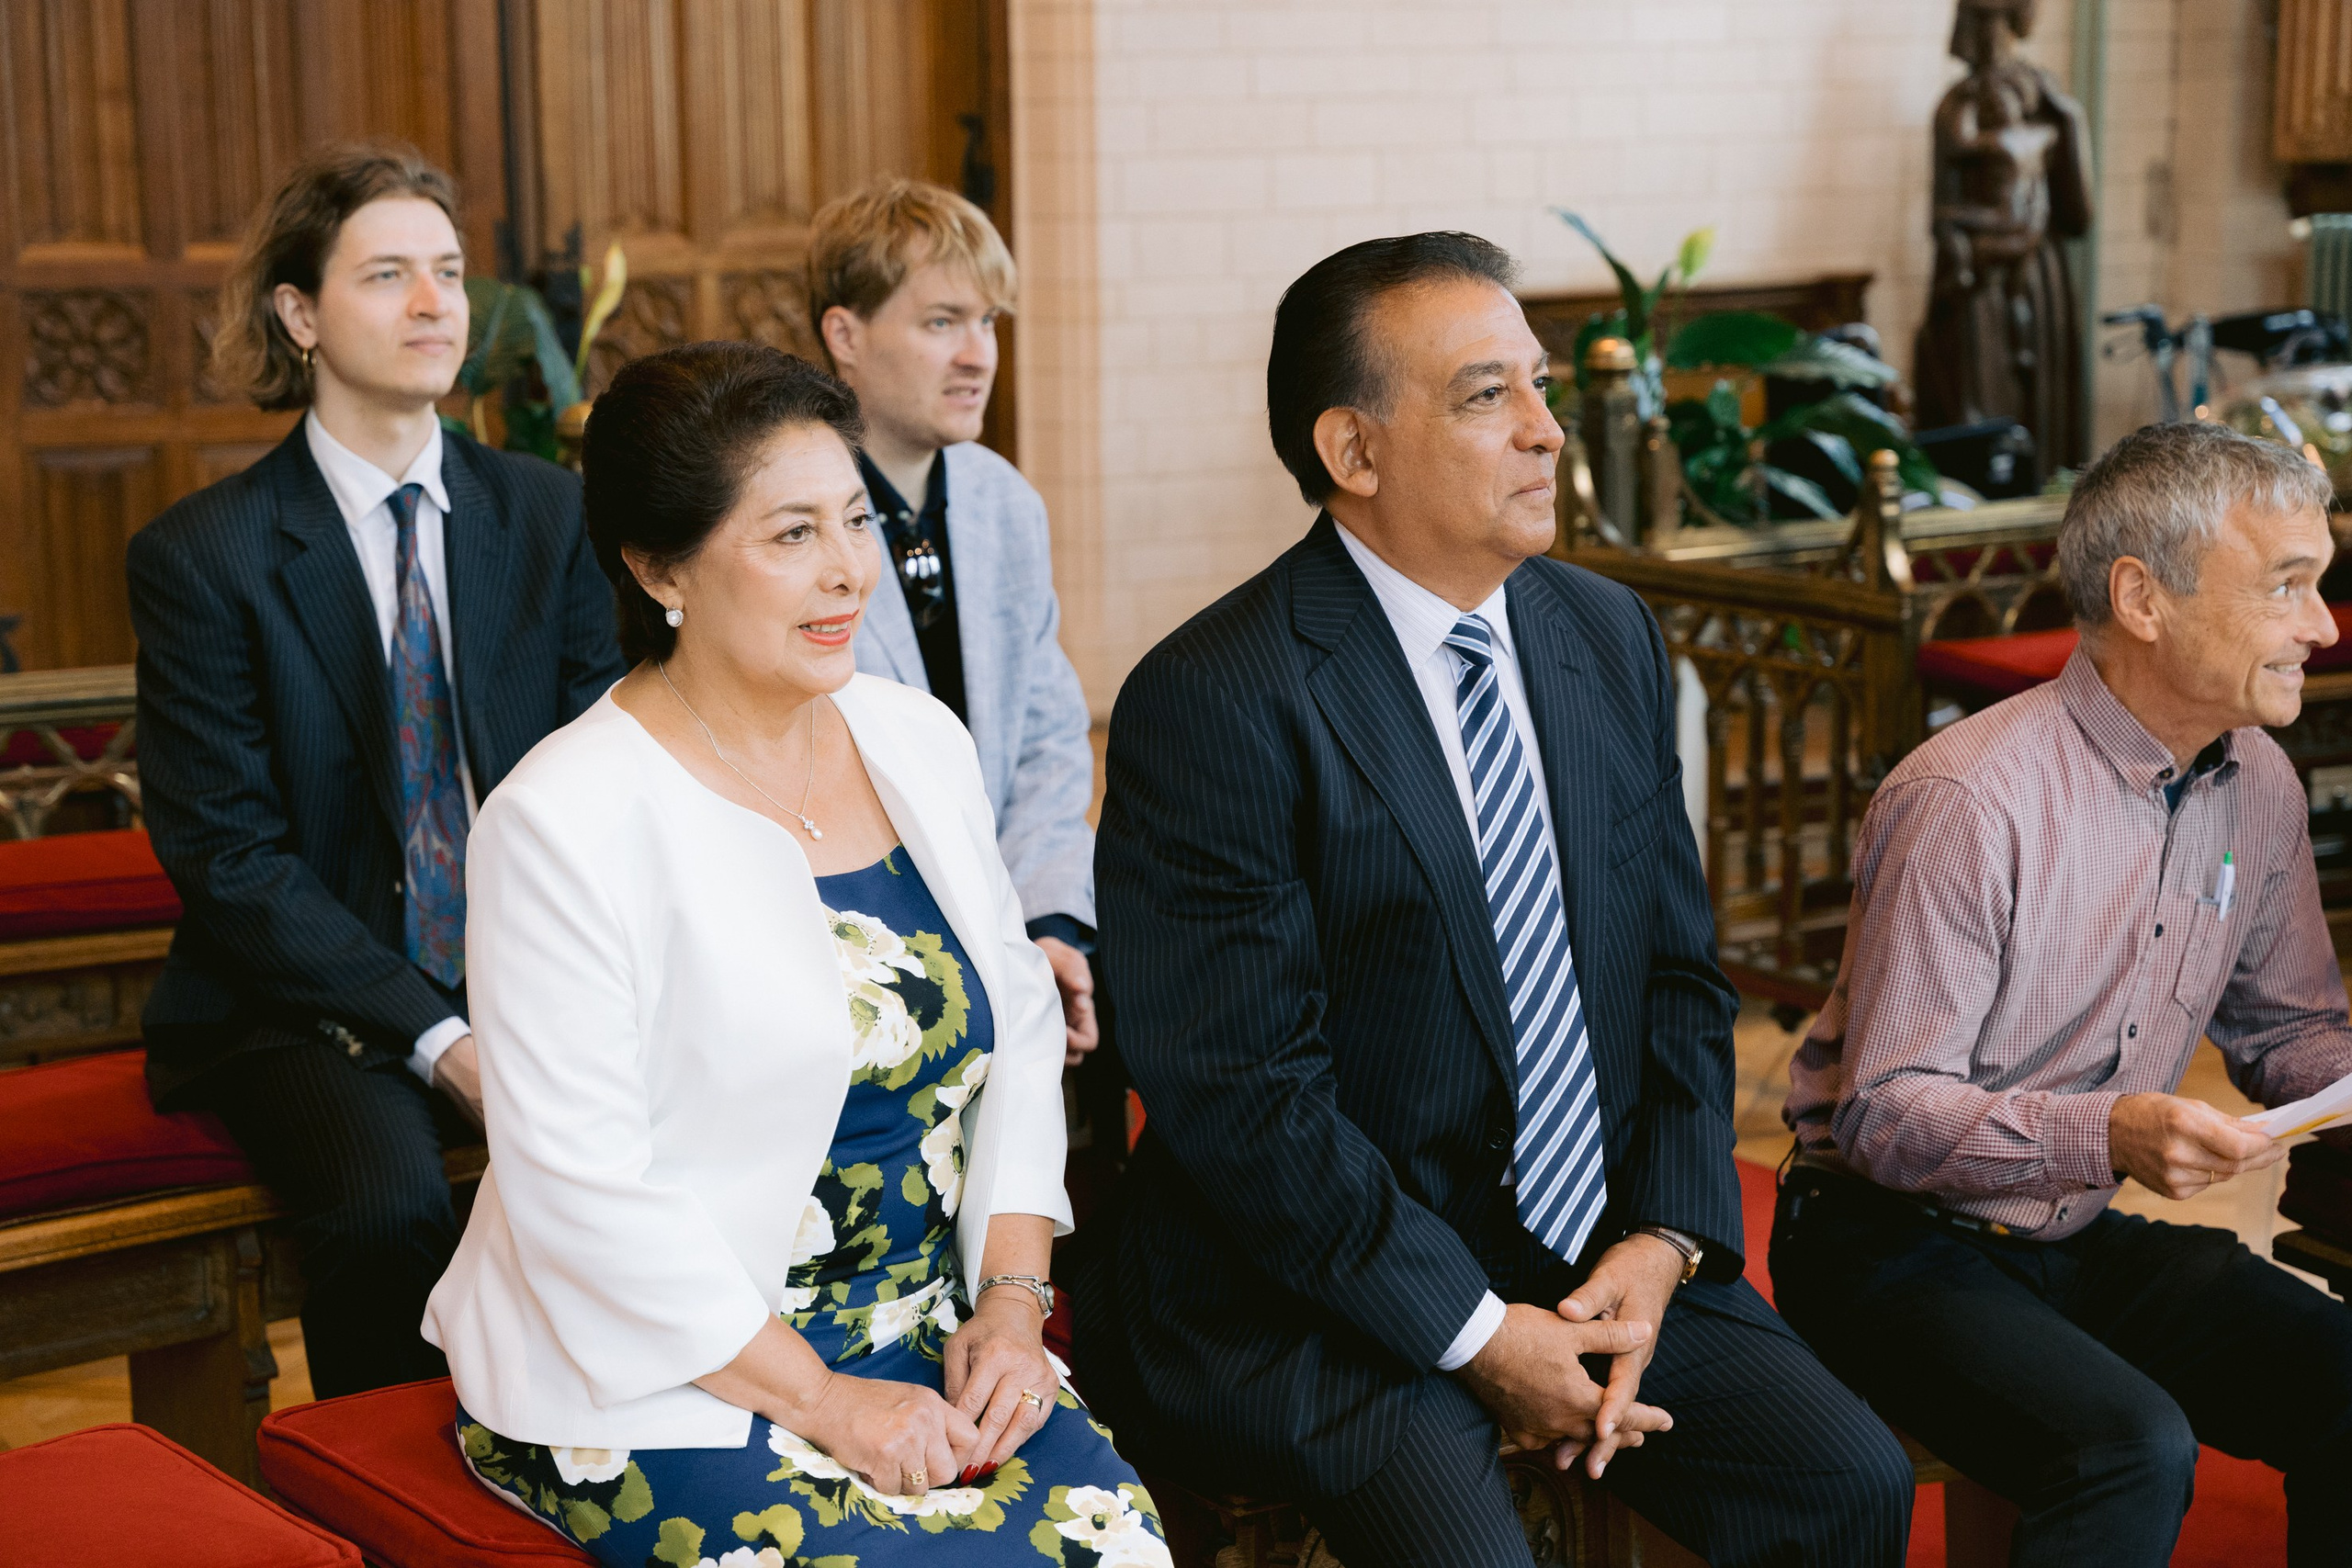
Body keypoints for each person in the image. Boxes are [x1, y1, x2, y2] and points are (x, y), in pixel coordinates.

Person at [1069, 232, 1912, 1568]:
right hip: (1320, 1277)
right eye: (1486, 397)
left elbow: (1681, 977)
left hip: (1587, 1244)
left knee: (1845, 1479)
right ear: (1352, 451)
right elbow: (1246, 1097)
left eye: (1539, 387)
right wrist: (1479, 1330)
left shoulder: (1602, 631)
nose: (1545, 432)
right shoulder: (1222, 693)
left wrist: (1664, 1233)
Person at [423, 342, 1169, 1567]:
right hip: (671, 1366)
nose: (846, 573)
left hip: (937, 1330)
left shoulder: (911, 737)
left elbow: (1023, 1032)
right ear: (658, 564)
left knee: (1124, 1547)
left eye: (856, 519)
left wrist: (1013, 1303)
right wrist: (826, 1402)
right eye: (789, 536)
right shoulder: (563, 820)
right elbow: (582, 1194)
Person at [1773, 420, 2352, 1568]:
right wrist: (2110, 1131)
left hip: (2066, 1232)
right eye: (2287, 586)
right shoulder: (1968, 799)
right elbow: (1884, 1114)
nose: (2321, 627)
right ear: (2142, 597)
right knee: (2127, 1447)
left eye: (2320, 584)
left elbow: (2292, 1029)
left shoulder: (2258, 781)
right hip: (1881, 1243)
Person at [127, 142, 624, 1398]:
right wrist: (442, 1034)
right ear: (299, 313)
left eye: (449, 273)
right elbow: (230, 862)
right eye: (387, 273)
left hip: (529, 956)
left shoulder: (549, 513)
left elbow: (604, 769)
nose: (432, 304)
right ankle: (391, 1502)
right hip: (301, 992)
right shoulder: (207, 555)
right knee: (386, 1204)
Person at [809, 178, 1101, 1075]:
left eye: (989, 323)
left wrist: (1043, 927)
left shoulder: (1000, 499)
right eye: (942, 323)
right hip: (853, 927)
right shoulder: (794, 513)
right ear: (845, 336)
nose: (978, 354)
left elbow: (1050, 741)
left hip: (1009, 908)